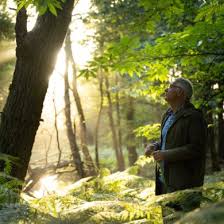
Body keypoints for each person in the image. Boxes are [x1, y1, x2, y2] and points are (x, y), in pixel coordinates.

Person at [145, 78, 207, 195]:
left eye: (171, 87)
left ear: (180, 92)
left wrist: (165, 155)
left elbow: (196, 148)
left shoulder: (194, 117)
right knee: (167, 214)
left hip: (184, 184)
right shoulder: (167, 115)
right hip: (164, 181)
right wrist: (154, 146)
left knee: (185, 214)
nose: (166, 89)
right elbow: (168, 141)